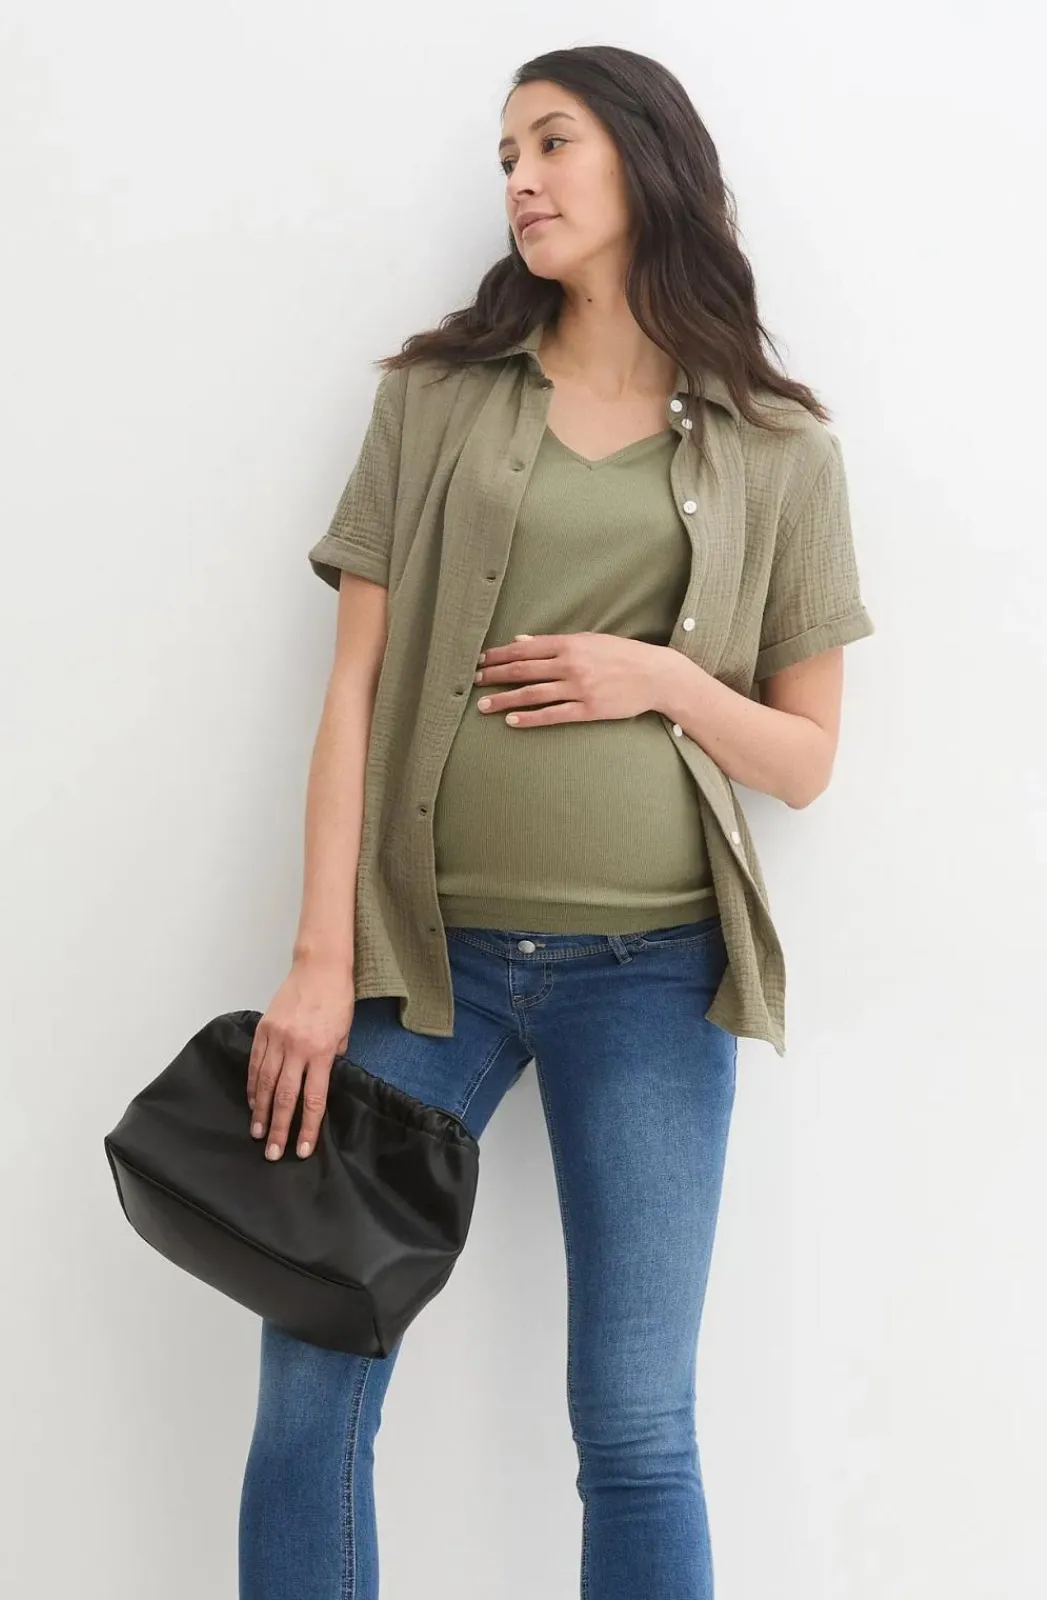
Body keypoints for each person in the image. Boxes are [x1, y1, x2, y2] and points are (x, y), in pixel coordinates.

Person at [238, 43, 875, 1600]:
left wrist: (661, 676)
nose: (518, 180)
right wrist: (319, 961)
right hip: (423, 967)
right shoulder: (434, 402)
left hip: (653, 976)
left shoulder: (779, 446)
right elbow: (353, 687)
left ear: (646, 159)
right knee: (314, 1384)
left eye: (550, 143)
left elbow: (802, 761)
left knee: (637, 1427)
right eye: (504, 158)